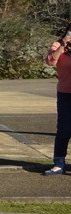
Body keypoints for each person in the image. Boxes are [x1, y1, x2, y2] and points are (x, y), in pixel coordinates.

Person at [43, 26, 71, 175]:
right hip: (65, 94)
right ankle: (59, 163)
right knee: (64, 130)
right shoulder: (57, 45)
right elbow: (51, 61)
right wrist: (62, 46)